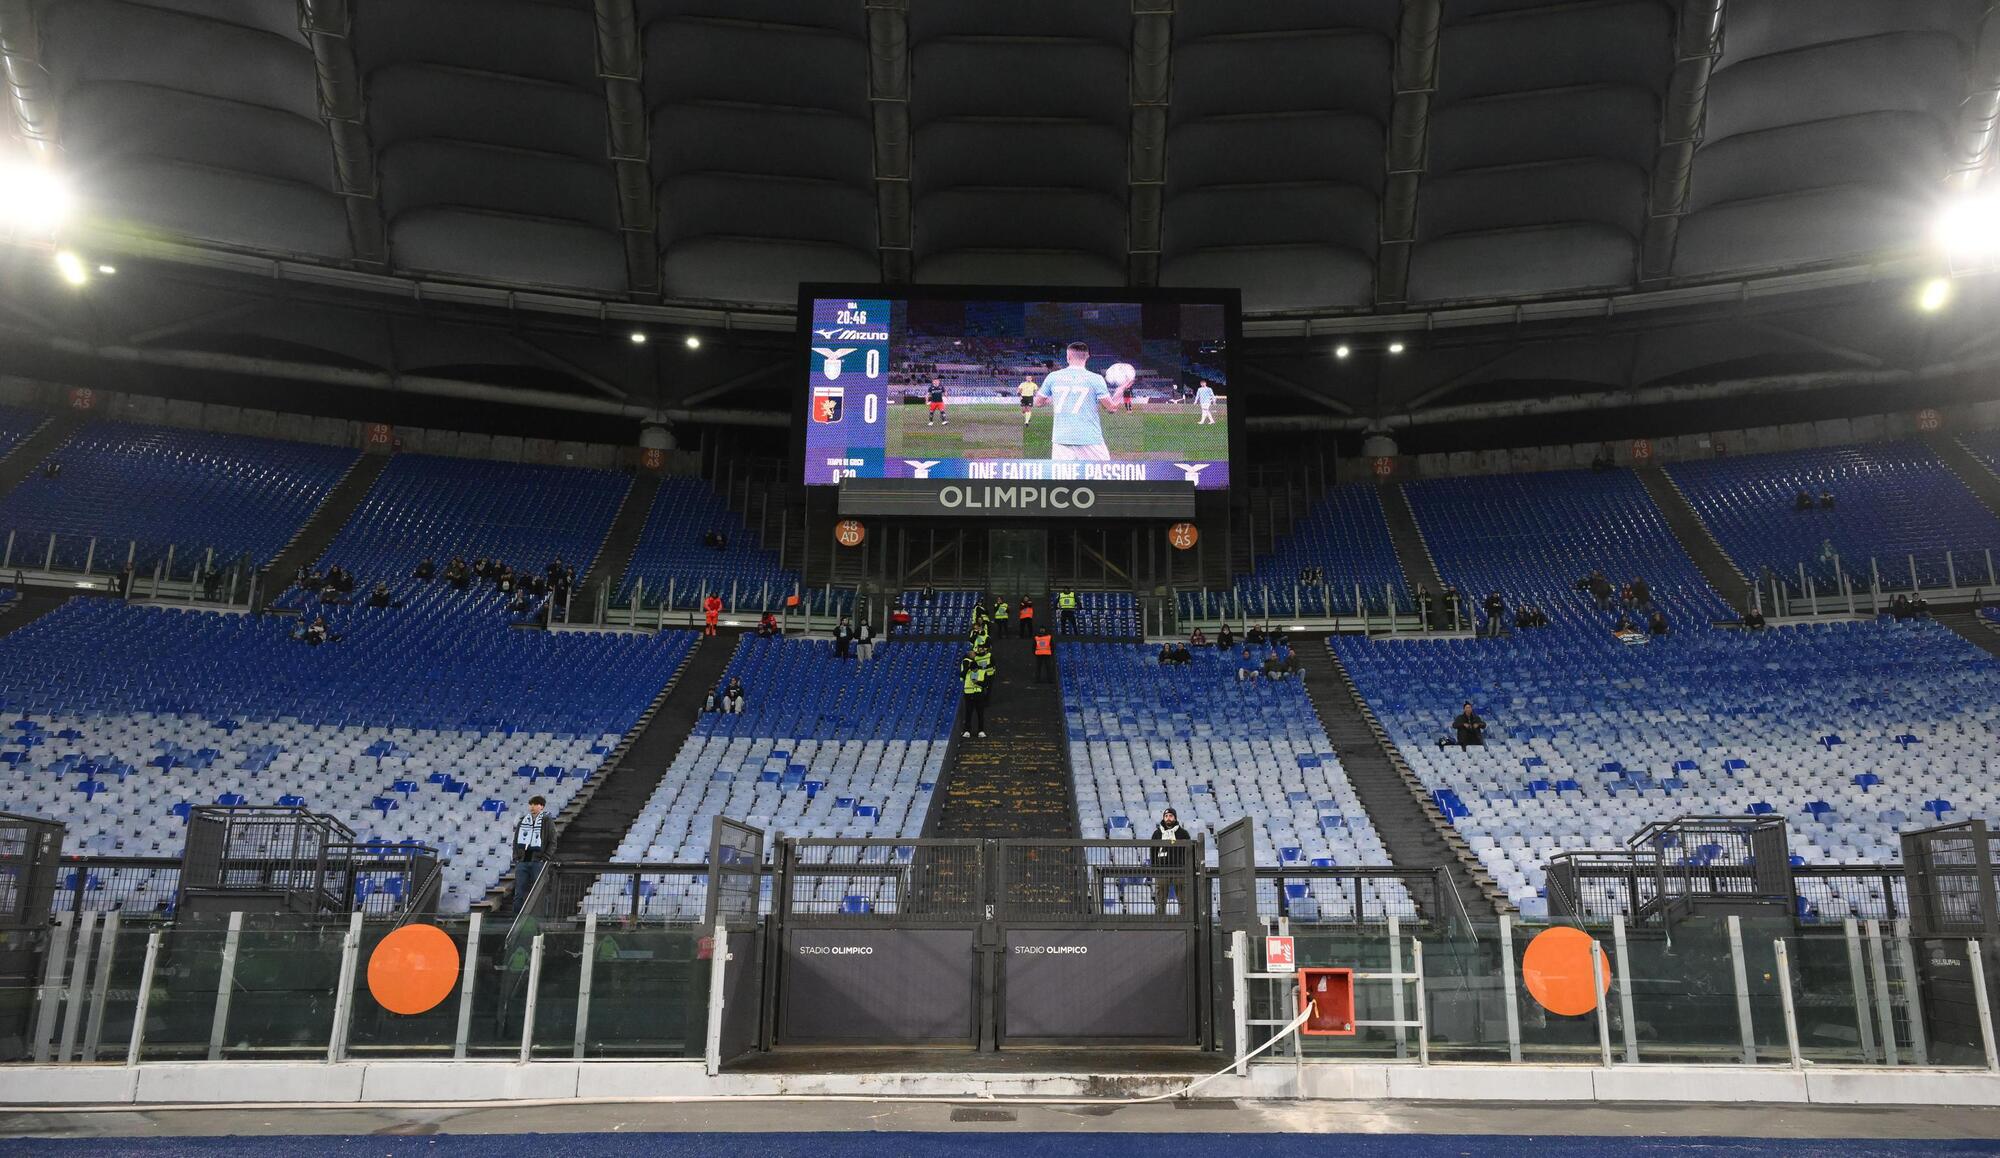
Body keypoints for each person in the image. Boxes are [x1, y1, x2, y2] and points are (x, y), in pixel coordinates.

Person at [1034, 341, 1123, 462]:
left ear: (1068, 356)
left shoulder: (1053, 377)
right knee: (1101, 476)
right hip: (1089, 438)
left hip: (1061, 439)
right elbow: (1111, 408)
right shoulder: (1096, 379)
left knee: (1063, 479)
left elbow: (1038, 402)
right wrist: (1120, 391)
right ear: (1087, 357)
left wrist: (1054, 398)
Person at [508, 795, 552, 914]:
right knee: (518, 893)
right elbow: (516, 840)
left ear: (541, 806)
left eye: (535, 804)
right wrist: (516, 857)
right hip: (522, 862)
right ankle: (515, 920)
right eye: (531, 804)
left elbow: (552, 841)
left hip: (538, 862)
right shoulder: (523, 820)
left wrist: (545, 858)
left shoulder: (547, 821)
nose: (532, 807)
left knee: (541, 891)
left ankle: (542, 917)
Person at [1149, 808, 1192, 912]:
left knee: (1183, 899)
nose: (1168, 818)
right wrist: (1155, 868)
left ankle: (1184, 923)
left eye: (1171, 816)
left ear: (1175, 818)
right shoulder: (1157, 834)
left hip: (1180, 870)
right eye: (1166, 816)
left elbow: (1188, 851)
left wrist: (1186, 866)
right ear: (1164, 818)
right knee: (1161, 900)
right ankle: (1161, 924)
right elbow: (1153, 852)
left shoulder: (1183, 833)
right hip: (1162, 870)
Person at [960, 658, 989, 738]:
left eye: (975, 669)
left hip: (979, 696)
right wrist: (967, 668)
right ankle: (967, 731)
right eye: (973, 669)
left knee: (980, 714)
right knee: (968, 714)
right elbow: (961, 675)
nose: (974, 671)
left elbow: (986, 684)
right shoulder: (968, 672)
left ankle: (981, 731)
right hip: (969, 696)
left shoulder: (982, 672)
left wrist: (978, 682)